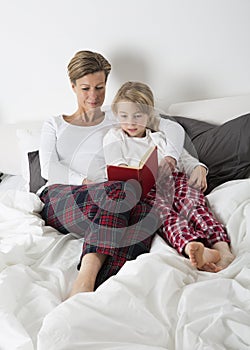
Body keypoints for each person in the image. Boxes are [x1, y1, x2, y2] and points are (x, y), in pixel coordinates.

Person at [39, 50, 191, 297]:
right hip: (62, 196)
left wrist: (173, 159)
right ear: (73, 86)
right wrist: (87, 182)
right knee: (122, 193)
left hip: (112, 200)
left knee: (147, 212)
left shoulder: (119, 115)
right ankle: (85, 278)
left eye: (99, 87)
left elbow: (172, 127)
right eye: (86, 88)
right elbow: (48, 168)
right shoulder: (56, 123)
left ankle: (102, 290)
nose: (94, 96)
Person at [103, 81, 235, 272]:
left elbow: (184, 159)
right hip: (146, 189)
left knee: (193, 204)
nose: (130, 122)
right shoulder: (115, 137)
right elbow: (116, 164)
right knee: (164, 214)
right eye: (124, 116)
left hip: (175, 180)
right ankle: (192, 246)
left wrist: (199, 168)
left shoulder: (160, 137)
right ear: (117, 116)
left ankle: (221, 248)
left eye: (137, 116)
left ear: (148, 116)